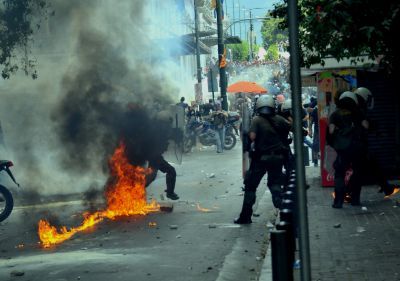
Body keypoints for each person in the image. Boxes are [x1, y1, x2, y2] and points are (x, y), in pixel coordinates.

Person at [234, 95, 291, 224]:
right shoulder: (280, 119)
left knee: (250, 186)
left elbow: (252, 137)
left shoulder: (257, 120)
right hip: (278, 157)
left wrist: (247, 134)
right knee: (275, 184)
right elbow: (291, 128)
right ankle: (286, 214)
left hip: (261, 159)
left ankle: (245, 216)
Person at [354, 87, 397, 196]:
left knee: (372, 167)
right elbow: (365, 125)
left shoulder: (355, 109)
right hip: (359, 145)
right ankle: (350, 195)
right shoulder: (358, 110)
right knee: (369, 167)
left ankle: (385, 187)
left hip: (356, 144)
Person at [327, 91, 367, 208]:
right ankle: (355, 200)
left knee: (339, 173)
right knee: (357, 172)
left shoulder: (335, 114)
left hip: (342, 149)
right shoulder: (358, 113)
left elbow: (331, 131)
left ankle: (338, 202)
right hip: (357, 148)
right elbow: (366, 126)